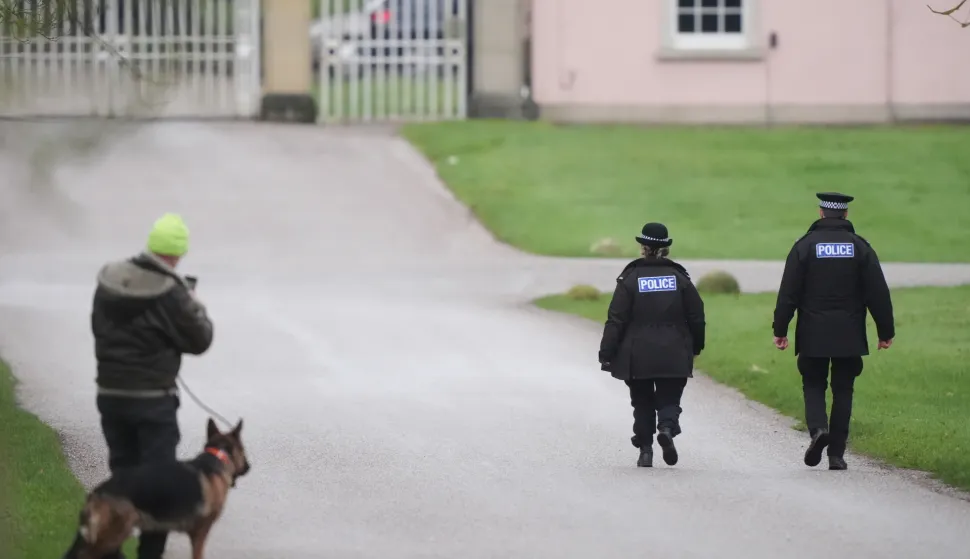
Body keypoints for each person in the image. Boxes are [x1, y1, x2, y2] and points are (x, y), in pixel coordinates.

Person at [87, 213, 215, 559]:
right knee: (158, 489)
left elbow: (98, 327)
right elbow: (201, 339)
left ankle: (110, 552)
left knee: (122, 479)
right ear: (177, 253)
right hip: (153, 401)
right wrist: (195, 304)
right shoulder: (172, 294)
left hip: (110, 395)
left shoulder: (112, 280)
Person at [772, 192, 894, 471]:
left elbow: (788, 293)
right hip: (849, 334)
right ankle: (836, 455)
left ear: (821, 213)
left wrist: (781, 328)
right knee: (844, 391)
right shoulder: (860, 247)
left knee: (813, 384)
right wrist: (885, 331)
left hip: (813, 333)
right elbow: (878, 293)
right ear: (846, 215)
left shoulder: (804, 246)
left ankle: (817, 430)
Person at [598, 222, 706, 468]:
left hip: (638, 355)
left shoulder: (630, 278)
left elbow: (616, 319)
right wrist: (696, 346)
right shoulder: (680, 278)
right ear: (665, 249)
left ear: (643, 248)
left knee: (642, 401)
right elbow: (697, 316)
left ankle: (645, 450)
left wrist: (607, 353)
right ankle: (666, 428)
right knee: (670, 398)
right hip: (674, 352)